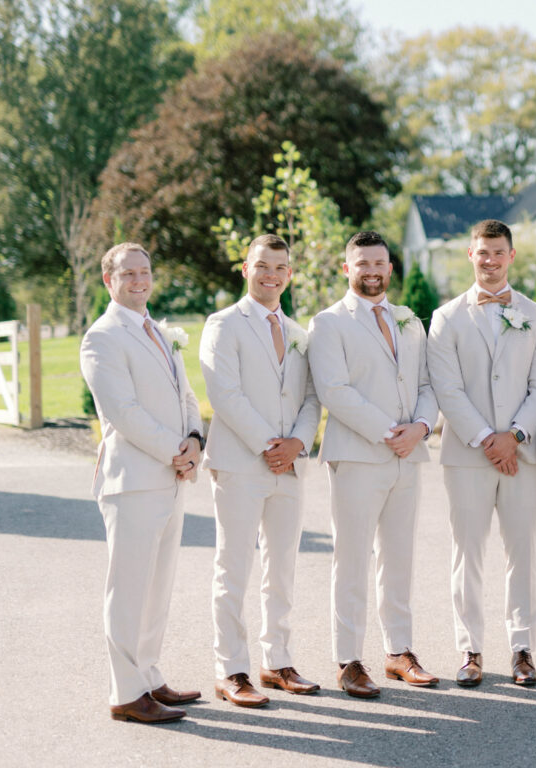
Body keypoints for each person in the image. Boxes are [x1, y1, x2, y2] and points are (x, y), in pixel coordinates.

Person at [307, 231, 440, 698]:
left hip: (409, 454)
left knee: (399, 558)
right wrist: (391, 432)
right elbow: (335, 391)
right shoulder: (328, 323)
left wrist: (421, 427)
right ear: (347, 269)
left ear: (390, 267)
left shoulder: (409, 321)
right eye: (362, 263)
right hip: (359, 455)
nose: (371, 271)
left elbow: (427, 382)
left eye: (379, 263)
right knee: (352, 559)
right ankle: (348, 660)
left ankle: (398, 651)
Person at [427, 219, 536, 687]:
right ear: (470, 255)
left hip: (522, 456)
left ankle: (523, 649)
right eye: (482, 253)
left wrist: (515, 436)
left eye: (498, 252)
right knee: (468, 553)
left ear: (511, 256)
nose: (490, 260)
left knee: (523, 552)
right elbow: (447, 387)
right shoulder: (445, 318)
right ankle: (470, 649)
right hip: (467, 455)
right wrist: (487, 438)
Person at [80, 242, 203, 723]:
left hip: (172, 476)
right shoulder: (102, 337)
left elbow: (187, 394)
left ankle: (149, 675)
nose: (139, 280)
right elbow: (122, 413)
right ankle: (126, 693)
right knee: (128, 588)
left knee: (159, 585)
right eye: (128, 273)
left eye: (145, 271)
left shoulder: (158, 330)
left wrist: (195, 439)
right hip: (132, 480)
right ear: (109, 281)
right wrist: (176, 452)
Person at [200, 234, 321, 707]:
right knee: (234, 567)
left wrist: (296, 444)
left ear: (289, 274)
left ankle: (278, 660)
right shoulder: (222, 324)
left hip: (288, 467)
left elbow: (312, 397)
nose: (271, 275)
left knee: (282, 566)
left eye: (280, 267)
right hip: (240, 463)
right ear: (245, 268)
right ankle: (230, 669)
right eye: (263, 266)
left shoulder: (299, 332)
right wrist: (270, 445)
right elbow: (224, 393)